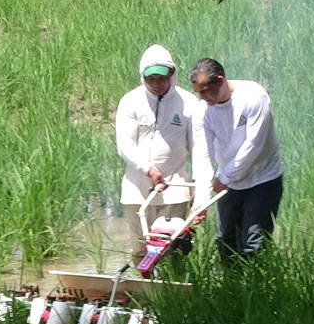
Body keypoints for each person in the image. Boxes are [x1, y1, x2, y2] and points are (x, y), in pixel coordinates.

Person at [115, 44, 209, 258]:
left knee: (172, 249)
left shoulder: (188, 103)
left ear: (172, 74)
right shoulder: (130, 101)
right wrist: (148, 169)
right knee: (140, 250)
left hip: (175, 189)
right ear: (143, 76)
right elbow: (125, 144)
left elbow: (198, 149)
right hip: (137, 190)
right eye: (151, 79)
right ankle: (144, 280)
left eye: (162, 78)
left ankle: (173, 279)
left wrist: (199, 186)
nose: (157, 84)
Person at [189, 57, 283, 260]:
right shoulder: (202, 112)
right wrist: (201, 199)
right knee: (226, 240)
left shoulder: (253, 97)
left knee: (254, 243)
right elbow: (203, 155)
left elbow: (254, 147)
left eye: (206, 90)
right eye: (198, 92)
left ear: (220, 80)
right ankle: (231, 280)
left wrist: (224, 177)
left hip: (263, 178)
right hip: (230, 182)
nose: (203, 97)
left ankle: (258, 279)